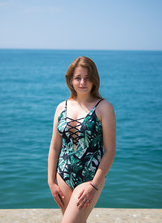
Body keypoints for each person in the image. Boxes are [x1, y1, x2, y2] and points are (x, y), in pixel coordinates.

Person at [48, 56, 116, 223]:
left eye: (87, 78)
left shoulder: (104, 107)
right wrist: (51, 182)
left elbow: (110, 150)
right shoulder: (61, 107)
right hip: (63, 175)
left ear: (94, 80)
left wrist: (95, 185)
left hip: (90, 177)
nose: (82, 82)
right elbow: (55, 147)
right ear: (70, 80)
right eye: (78, 77)